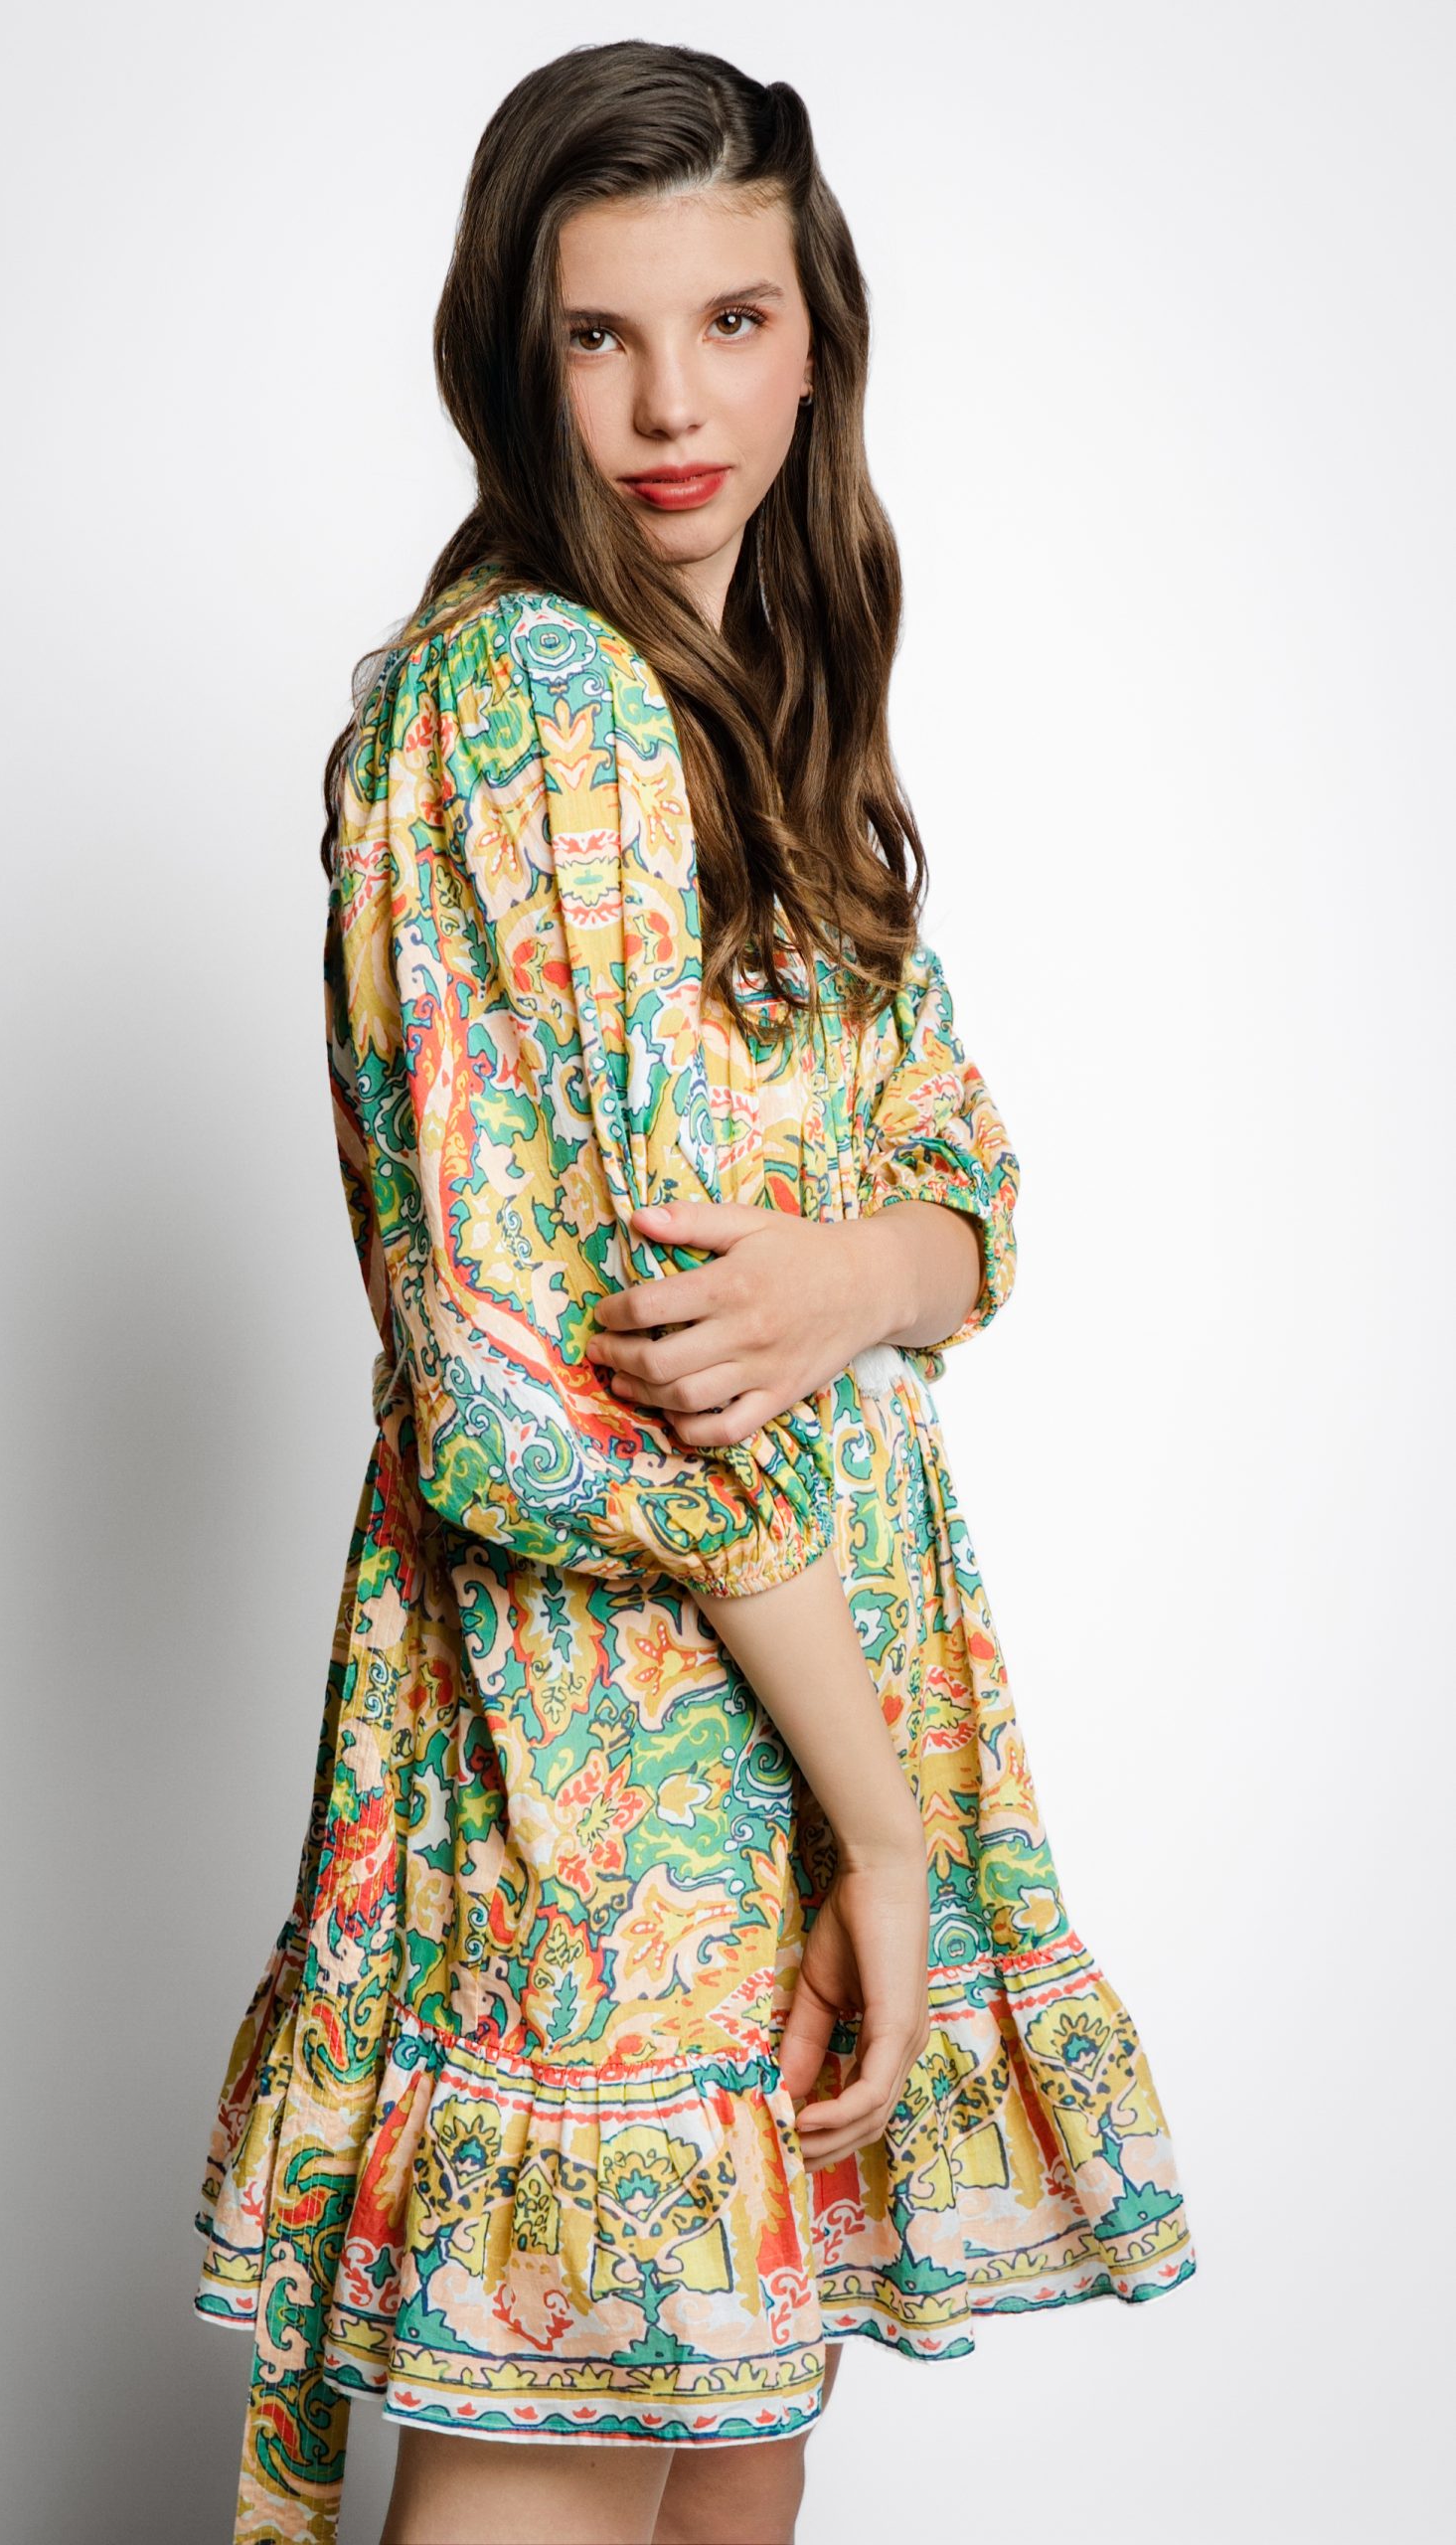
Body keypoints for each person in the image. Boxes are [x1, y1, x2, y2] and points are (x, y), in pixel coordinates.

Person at [193, 38, 1195, 2545]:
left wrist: (859, 1268)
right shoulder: (529, 700)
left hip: (778, 1739)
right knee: (562, 2482)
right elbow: (543, 1385)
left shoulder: (757, 712)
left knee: (728, 2483)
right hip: (615, 1758)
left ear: (813, 336)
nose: (670, 407)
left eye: (730, 322)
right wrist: (882, 1828)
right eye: (597, 335)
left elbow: (962, 1183)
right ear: (509, 358)